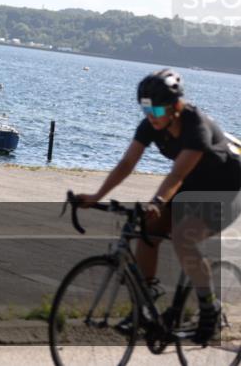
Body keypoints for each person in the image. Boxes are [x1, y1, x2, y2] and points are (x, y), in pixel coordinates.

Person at [76, 69, 241, 343]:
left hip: (226, 188)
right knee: (147, 229)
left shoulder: (196, 126)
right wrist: (96, 195)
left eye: (157, 109)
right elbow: (127, 163)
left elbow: (176, 175)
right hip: (192, 184)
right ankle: (145, 303)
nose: (151, 115)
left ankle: (209, 308)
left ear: (175, 106)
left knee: (184, 237)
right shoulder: (151, 125)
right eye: (146, 109)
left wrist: (157, 202)